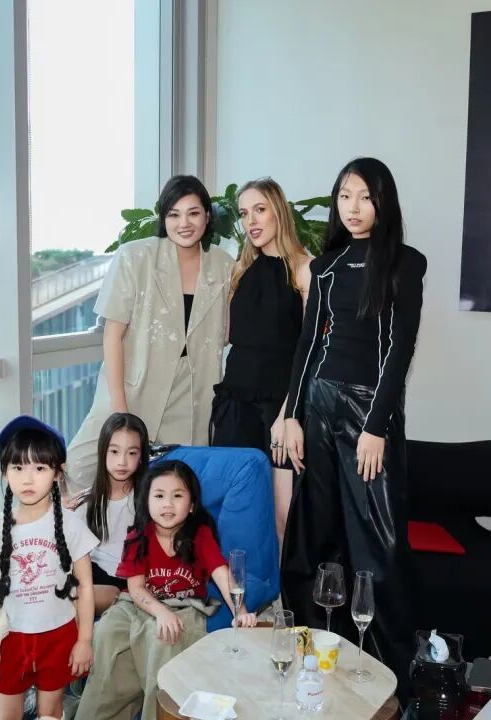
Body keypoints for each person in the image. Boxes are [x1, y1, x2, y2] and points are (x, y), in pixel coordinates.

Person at [282, 157, 426, 700]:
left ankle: (391, 683)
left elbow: (399, 350)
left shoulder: (405, 263)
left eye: (365, 196)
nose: (354, 207)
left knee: (378, 545)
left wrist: (376, 426)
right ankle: (317, 655)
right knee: (314, 533)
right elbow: (307, 346)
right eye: (345, 196)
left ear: (383, 202)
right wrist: (292, 415)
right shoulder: (325, 266)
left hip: (370, 415)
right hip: (318, 406)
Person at [65, 175, 235, 494]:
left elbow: (226, 333)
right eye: (174, 214)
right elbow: (112, 336)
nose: (184, 223)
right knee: (79, 470)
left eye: (193, 213)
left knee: (170, 489)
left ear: (207, 216)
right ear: (163, 218)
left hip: (190, 395)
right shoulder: (135, 257)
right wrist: (120, 409)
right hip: (133, 387)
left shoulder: (223, 265)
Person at [76, 460, 257, 720]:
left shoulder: (199, 535)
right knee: (105, 630)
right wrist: (160, 611)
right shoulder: (138, 537)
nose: (167, 504)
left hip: (183, 606)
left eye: (177, 496)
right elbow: (135, 588)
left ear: (192, 504)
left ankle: (158, 711)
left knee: (164, 637)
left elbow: (221, 573)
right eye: (159, 496)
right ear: (146, 501)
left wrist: (240, 611)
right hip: (138, 603)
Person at [0, 416, 97, 720]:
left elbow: (86, 586)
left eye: (39, 468)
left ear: (57, 472)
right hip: (11, 638)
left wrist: (85, 640)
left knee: (50, 713)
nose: (28, 479)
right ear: (4, 471)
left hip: (59, 635)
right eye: (18, 467)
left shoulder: (70, 525)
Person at [209, 177, 312, 547]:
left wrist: (288, 414)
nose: (250, 221)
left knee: (282, 516)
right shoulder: (240, 270)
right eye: (243, 213)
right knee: (231, 513)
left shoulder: (304, 269)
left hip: (279, 408)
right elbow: (226, 337)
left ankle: (282, 588)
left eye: (259, 210)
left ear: (278, 211)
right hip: (235, 404)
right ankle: (237, 586)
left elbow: (310, 350)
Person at [72, 412, 149, 612]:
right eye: (114, 451)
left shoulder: (149, 499)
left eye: (132, 453)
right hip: (88, 573)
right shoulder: (86, 502)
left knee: (82, 597)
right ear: (103, 452)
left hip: (124, 583)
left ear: (141, 457)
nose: (122, 461)